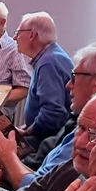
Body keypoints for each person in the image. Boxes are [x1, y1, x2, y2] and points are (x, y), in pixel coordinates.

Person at [0, 38, 96, 189]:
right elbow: (45, 180)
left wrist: (8, 157)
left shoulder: (93, 137)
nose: (68, 85)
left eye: (74, 77)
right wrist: (9, 168)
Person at [12, 11, 72, 148]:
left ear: (32, 35)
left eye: (18, 33)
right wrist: (27, 127)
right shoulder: (50, 56)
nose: (14, 38)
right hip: (44, 136)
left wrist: (27, 132)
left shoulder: (48, 63)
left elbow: (53, 113)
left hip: (46, 141)